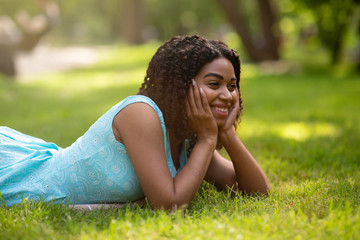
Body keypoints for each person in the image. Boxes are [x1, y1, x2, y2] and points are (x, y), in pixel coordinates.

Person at [0, 35, 270, 210]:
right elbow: (169, 206)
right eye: (214, 84)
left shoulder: (190, 136)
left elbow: (257, 193)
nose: (228, 95)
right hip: (30, 181)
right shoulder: (141, 113)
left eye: (232, 86)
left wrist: (228, 135)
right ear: (181, 85)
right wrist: (210, 139)